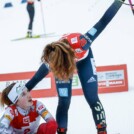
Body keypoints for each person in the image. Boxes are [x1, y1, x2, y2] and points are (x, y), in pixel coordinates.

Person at [25, 0, 125, 134]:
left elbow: (103, 21)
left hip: (85, 61)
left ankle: (102, 130)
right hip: (64, 63)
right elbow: (34, 80)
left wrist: (119, 2)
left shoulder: (81, 42)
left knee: (92, 98)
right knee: (64, 101)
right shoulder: (53, 58)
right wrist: (14, 96)